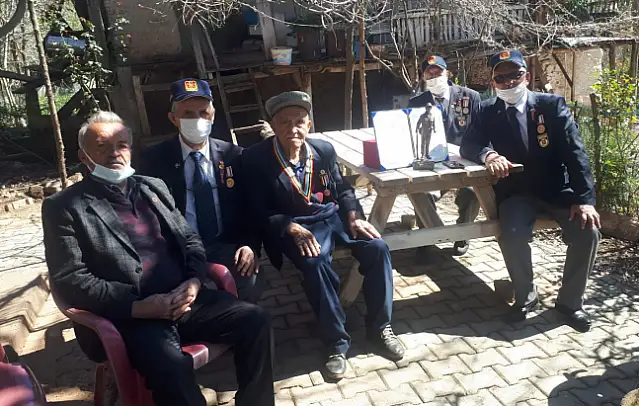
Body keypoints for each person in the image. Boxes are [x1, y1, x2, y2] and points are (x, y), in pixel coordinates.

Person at [42, 111, 274, 406]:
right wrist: (139, 307)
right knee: (172, 369)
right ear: (83, 155)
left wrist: (193, 282)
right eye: (102, 146)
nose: (114, 153)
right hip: (130, 318)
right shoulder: (64, 206)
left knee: (256, 320)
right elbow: (70, 279)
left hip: (184, 300)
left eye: (121, 145)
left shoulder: (152, 187)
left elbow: (190, 241)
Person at [239, 91, 405, 379]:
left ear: (309, 124)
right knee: (315, 264)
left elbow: (343, 189)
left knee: (378, 247)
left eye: (299, 122)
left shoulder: (323, 150)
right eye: (285, 122)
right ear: (273, 125)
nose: (293, 129)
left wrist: (353, 214)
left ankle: (381, 327)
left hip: (334, 218)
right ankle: (336, 343)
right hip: (296, 225)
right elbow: (255, 208)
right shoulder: (255, 158)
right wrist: (289, 226)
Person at [460, 49, 601, 332]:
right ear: (493, 83)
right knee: (511, 236)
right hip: (516, 192)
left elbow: (575, 153)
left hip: (557, 190)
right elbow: (469, 144)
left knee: (587, 232)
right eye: (501, 78)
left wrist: (584, 199)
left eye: (514, 75)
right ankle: (526, 297)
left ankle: (570, 304)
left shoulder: (551, 105)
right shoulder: (487, 110)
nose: (509, 82)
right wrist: (489, 155)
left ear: (526, 76)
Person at [136, 78, 264, 303]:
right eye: (188, 113)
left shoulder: (235, 156)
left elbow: (251, 207)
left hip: (224, 243)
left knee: (250, 284)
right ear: (173, 119)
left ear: (213, 116)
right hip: (176, 248)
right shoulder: (153, 160)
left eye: (203, 113)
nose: (197, 119)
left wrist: (249, 244)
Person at [408, 55, 483, 256]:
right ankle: (427, 235)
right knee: (420, 191)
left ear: (447, 73)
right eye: (429, 73)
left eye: (438, 71)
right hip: (432, 162)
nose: (434, 76)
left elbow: (481, 131)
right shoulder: (416, 102)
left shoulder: (470, 97)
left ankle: (463, 234)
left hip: (464, 160)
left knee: (472, 192)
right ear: (423, 77)